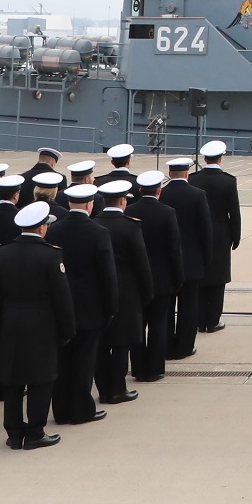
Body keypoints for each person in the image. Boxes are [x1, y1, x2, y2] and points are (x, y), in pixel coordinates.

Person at [0, 201, 75, 450]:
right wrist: (67, 330)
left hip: (10, 322)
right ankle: (35, 431)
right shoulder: (51, 254)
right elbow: (63, 298)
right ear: (41, 229)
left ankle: (14, 433)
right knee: (41, 378)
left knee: (13, 378)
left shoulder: (1, 253)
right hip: (42, 324)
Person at [46, 183, 114, 427]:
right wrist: (110, 307)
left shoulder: (53, 230)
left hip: (60, 305)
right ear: (89, 204)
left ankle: (61, 410)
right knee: (84, 361)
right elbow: (107, 274)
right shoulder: (98, 232)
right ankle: (81, 409)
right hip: (90, 306)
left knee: (62, 360)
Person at [94, 179, 152, 406]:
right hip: (126, 292)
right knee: (120, 343)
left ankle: (103, 389)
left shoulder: (94, 223)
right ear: (122, 201)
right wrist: (147, 293)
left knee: (100, 344)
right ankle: (117, 389)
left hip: (98, 291)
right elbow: (141, 264)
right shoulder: (130, 226)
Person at [127, 171, 183, 379]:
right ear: (159, 191)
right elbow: (174, 249)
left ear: (140, 190)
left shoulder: (130, 211)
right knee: (159, 325)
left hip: (136, 280)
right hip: (162, 279)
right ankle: (155, 368)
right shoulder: (167, 213)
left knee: (138, 326)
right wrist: (178, 279)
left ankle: (139, 368)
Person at [161, 157, 213, 358]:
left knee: (166, 307)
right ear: (187, 174)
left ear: (170, 174)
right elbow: (205, 230)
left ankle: (165, 345)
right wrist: (206, 259)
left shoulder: (161, 194)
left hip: (166, 263)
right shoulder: (198, 195)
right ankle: (185, 346)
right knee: (189, 307)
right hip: (192, 261)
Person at [189, 141, 242, 333]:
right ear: (221, 157)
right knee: (219, 278)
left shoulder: (193, 179)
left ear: (204, 158)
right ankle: (213, 320)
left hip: (197, 233)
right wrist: (236, 237)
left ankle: (199, 319)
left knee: (200, 277)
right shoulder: (228, 181)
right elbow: (233, 212)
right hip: (221, 233)